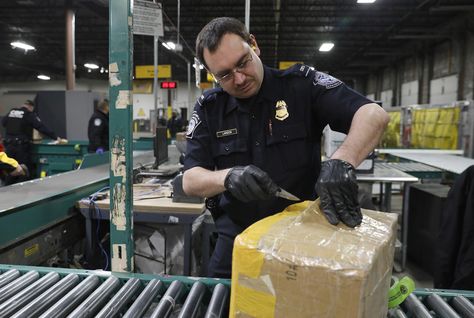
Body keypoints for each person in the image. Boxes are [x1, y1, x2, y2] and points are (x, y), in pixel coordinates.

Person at [182, 17, 389, 278]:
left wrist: (342, 160)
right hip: (237, 240)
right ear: (212, 75)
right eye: (224, 75)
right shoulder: (210, 107)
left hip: (301, 239)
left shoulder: (301, 85)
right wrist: (228, 176)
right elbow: (190, 180)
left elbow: (373, 114)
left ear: (253, 45)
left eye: (242, 63)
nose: (239, 78)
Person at [1, 99, 61, 183]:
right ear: (30, 107)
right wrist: (55, 137)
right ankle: (24, 192)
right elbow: (40, 126)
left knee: (10, 169)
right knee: (25, 170)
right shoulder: (28, 114)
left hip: (9, 146)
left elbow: (3, 122)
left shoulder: (12, 112)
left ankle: (7, 189)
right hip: (21, 148)